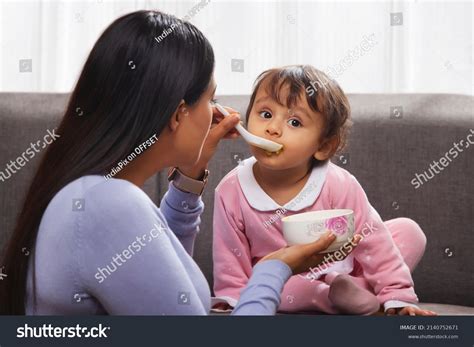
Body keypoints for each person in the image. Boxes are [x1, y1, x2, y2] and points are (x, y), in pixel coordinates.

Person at [0, 11, 355, 315]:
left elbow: (169, 284)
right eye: (210, 98)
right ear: (178, 114)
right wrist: (275, 268)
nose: (218, 112)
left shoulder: (93, 195)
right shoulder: (108, 204)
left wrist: (189, 179)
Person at [212, 65, 437, 316]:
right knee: (288, 288)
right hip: (288, 278)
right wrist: (231, 297)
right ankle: (335, 298)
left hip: (345, 265)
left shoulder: (339, 183)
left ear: (323, 146)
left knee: (408, 231)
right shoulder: (231, 189)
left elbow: (373, 241)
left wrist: (397, 296)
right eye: (265, 114)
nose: (273, 128)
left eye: (294, 122)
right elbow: (230, 255)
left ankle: (359, 289)